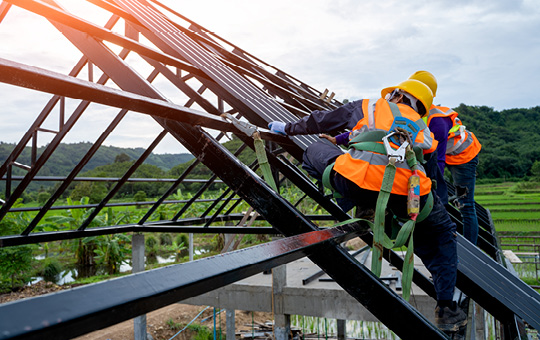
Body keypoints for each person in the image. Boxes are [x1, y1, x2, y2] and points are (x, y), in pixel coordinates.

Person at [269, 79, 467, 331]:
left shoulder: (371, 106)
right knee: (442, 235)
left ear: (396, 94)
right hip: (406, 194)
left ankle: (362, 205)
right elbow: (428, 167)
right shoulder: (423, 127)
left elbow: (322, 120)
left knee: (316, 148)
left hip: (356, 182)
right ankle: (447, 307)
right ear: (421, 107)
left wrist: (287, 127)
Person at [409, 71, 482, 245]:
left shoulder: (437, 120)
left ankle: (471, 248)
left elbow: (438, 159)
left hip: (464, 156)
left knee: (466, 205)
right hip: (449, 154)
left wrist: (433, 186)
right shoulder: (419, 113)